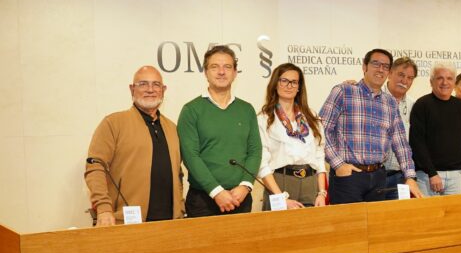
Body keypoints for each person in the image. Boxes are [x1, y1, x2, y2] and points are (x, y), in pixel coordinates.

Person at [319, 49, 422, 204]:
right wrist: (338, 165)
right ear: (364, 66)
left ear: (389, 72)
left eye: (385, 66)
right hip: (348, 177)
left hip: (378, 178)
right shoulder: (343, 92)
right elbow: (321, 130)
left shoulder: (390, 103)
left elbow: (401, 143)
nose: (380, 69)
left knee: (377, 221)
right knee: (349, 220)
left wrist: (410, 176)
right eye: (376, 64)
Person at [85, 65, 183, 225]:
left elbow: (178, 174)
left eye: (156, 84)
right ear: (132, 89)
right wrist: (103, 208)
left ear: (163, 90)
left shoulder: (172, 128)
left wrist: (180, 209)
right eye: (143, 84)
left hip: (170, 224)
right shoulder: (113, 123)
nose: (150, 89)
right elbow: (95, 167)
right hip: (125, 223)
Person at [178, 46, 261, 217]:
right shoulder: (191, 110)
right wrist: (216, 191)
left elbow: (255, 151)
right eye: (214, 67)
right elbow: (190, 156)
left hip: (240, 198)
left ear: (235, 73)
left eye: (227, 67)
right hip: (203, 201)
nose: (221, 72)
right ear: (205, 72)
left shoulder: (246, 110)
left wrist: (245, 185)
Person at [257, 63, 327, 210]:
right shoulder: (264, 119)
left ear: (299, 87)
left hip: (310, 183)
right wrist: (281, 198)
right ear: (275, 84)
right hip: (280, 184)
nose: (289, 86)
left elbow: (319, 156)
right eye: (284, 81)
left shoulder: (311, 117)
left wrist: (321, 193)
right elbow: (262, 163)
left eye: (294, 82)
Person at [409, 64, 461, 196]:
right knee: (429, 210)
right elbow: (417, 143)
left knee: (455, 210)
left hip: (456, 176)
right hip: (428, 176)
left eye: (449, 78)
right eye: (440, 78)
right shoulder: (421, 105)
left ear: (454, 82)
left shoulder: (460, 106)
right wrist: (432, 173)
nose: (445, 82)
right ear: (431, 82)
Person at [380, 57, 419, 199]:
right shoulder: (373, 97)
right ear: (390, 73)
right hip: (374, 175)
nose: (405, 81)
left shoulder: (414, 105)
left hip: (400, 176)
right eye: (401, 75)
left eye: (410, 78)